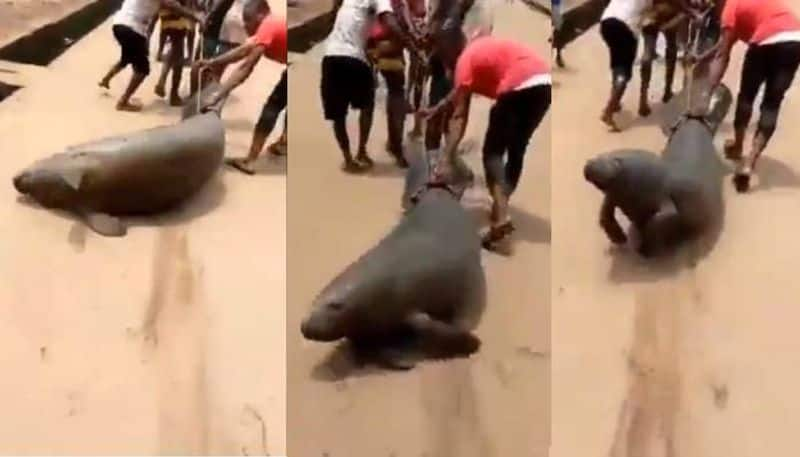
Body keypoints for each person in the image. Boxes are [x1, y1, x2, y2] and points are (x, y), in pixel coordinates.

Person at [420, 34, 552, 248]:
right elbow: (459, 93)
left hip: (516, 83)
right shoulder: (478, 52)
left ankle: (502, 215)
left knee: (493, 152)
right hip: (544, 83)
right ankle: (501, 207)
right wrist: (437, 108)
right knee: (517, 149)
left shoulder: (463, 62)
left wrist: (445, 158)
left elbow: (460, 116)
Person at [695, 0, 800, 192]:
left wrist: (706, 95)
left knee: (746, 97)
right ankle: (749, 163)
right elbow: (723, 43)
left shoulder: (729, 8)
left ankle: (738, 146)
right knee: (772, 104)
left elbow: (722, 56)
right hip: (794, 40)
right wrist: (701, 58)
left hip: (765, 39)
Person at [321, 0, 423, 173]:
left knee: (340, 111)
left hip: (336, 53)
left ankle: (352, 156)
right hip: (368, 50)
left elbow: (334, 17)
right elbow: (393, 22)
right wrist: (412, 46)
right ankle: (368, 150)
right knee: (375, 101)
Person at [194, 0, 287, 174]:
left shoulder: (269, 27)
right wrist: (212, 61)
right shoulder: (269, 24)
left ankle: (250, 161)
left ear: (259, 15)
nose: (245, 27)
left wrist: (218, 95)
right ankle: (284, 142)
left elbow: (246, 68)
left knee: (273, 106)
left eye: (247, 21)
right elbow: (242, 51)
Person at [99, 0, 204, 111]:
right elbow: (172, 4)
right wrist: (196, 17)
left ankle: (108, 81)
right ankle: (123, 101)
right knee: (143, 69)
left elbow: (155, 15)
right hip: (132, 28)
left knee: (129, 58)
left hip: (120, 24)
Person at [599, 0, 652, 130]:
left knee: (617, 63)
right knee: (624, 74)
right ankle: (608, 111)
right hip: (626, 28)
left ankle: (615, 103)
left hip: (606, 23)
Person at [154, 0, 194, 105]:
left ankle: (162, 81)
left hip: (166, 16)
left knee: (173, 48)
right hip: (179, 17)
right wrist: (190, 55)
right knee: (178, 61)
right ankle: (174, 95)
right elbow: (191, 31)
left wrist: (160, 49)